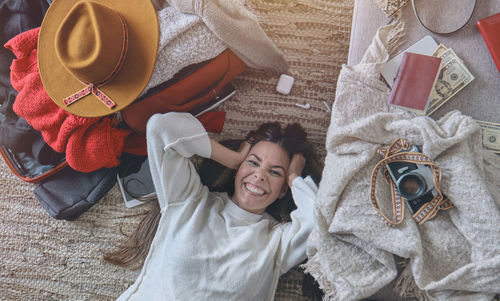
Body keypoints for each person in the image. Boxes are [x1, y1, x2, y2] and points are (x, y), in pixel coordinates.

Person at [105, 112, 322, 300]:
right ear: (238, 170)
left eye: (275, 172)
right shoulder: (189, 200)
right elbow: (160, 127)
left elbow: (318, 221)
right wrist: (232, 157)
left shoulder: (277, 242)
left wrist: (294, 178)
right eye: (253, 162)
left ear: (284, 190)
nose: (259, 175)